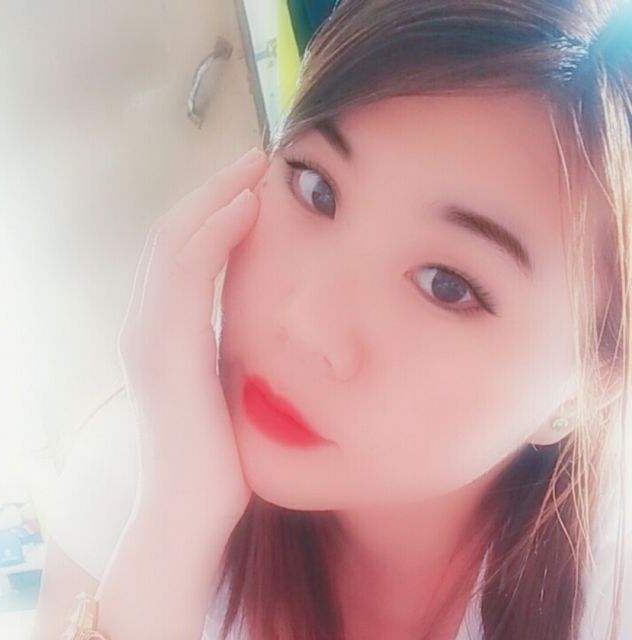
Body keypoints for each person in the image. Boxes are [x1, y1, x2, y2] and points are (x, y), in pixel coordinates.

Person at [36, 0, 632, 639]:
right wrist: (174, 522)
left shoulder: (610, 576)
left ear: (591, 384)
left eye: (446, 285)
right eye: (316, 189)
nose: (305, 324)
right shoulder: (139, 475)